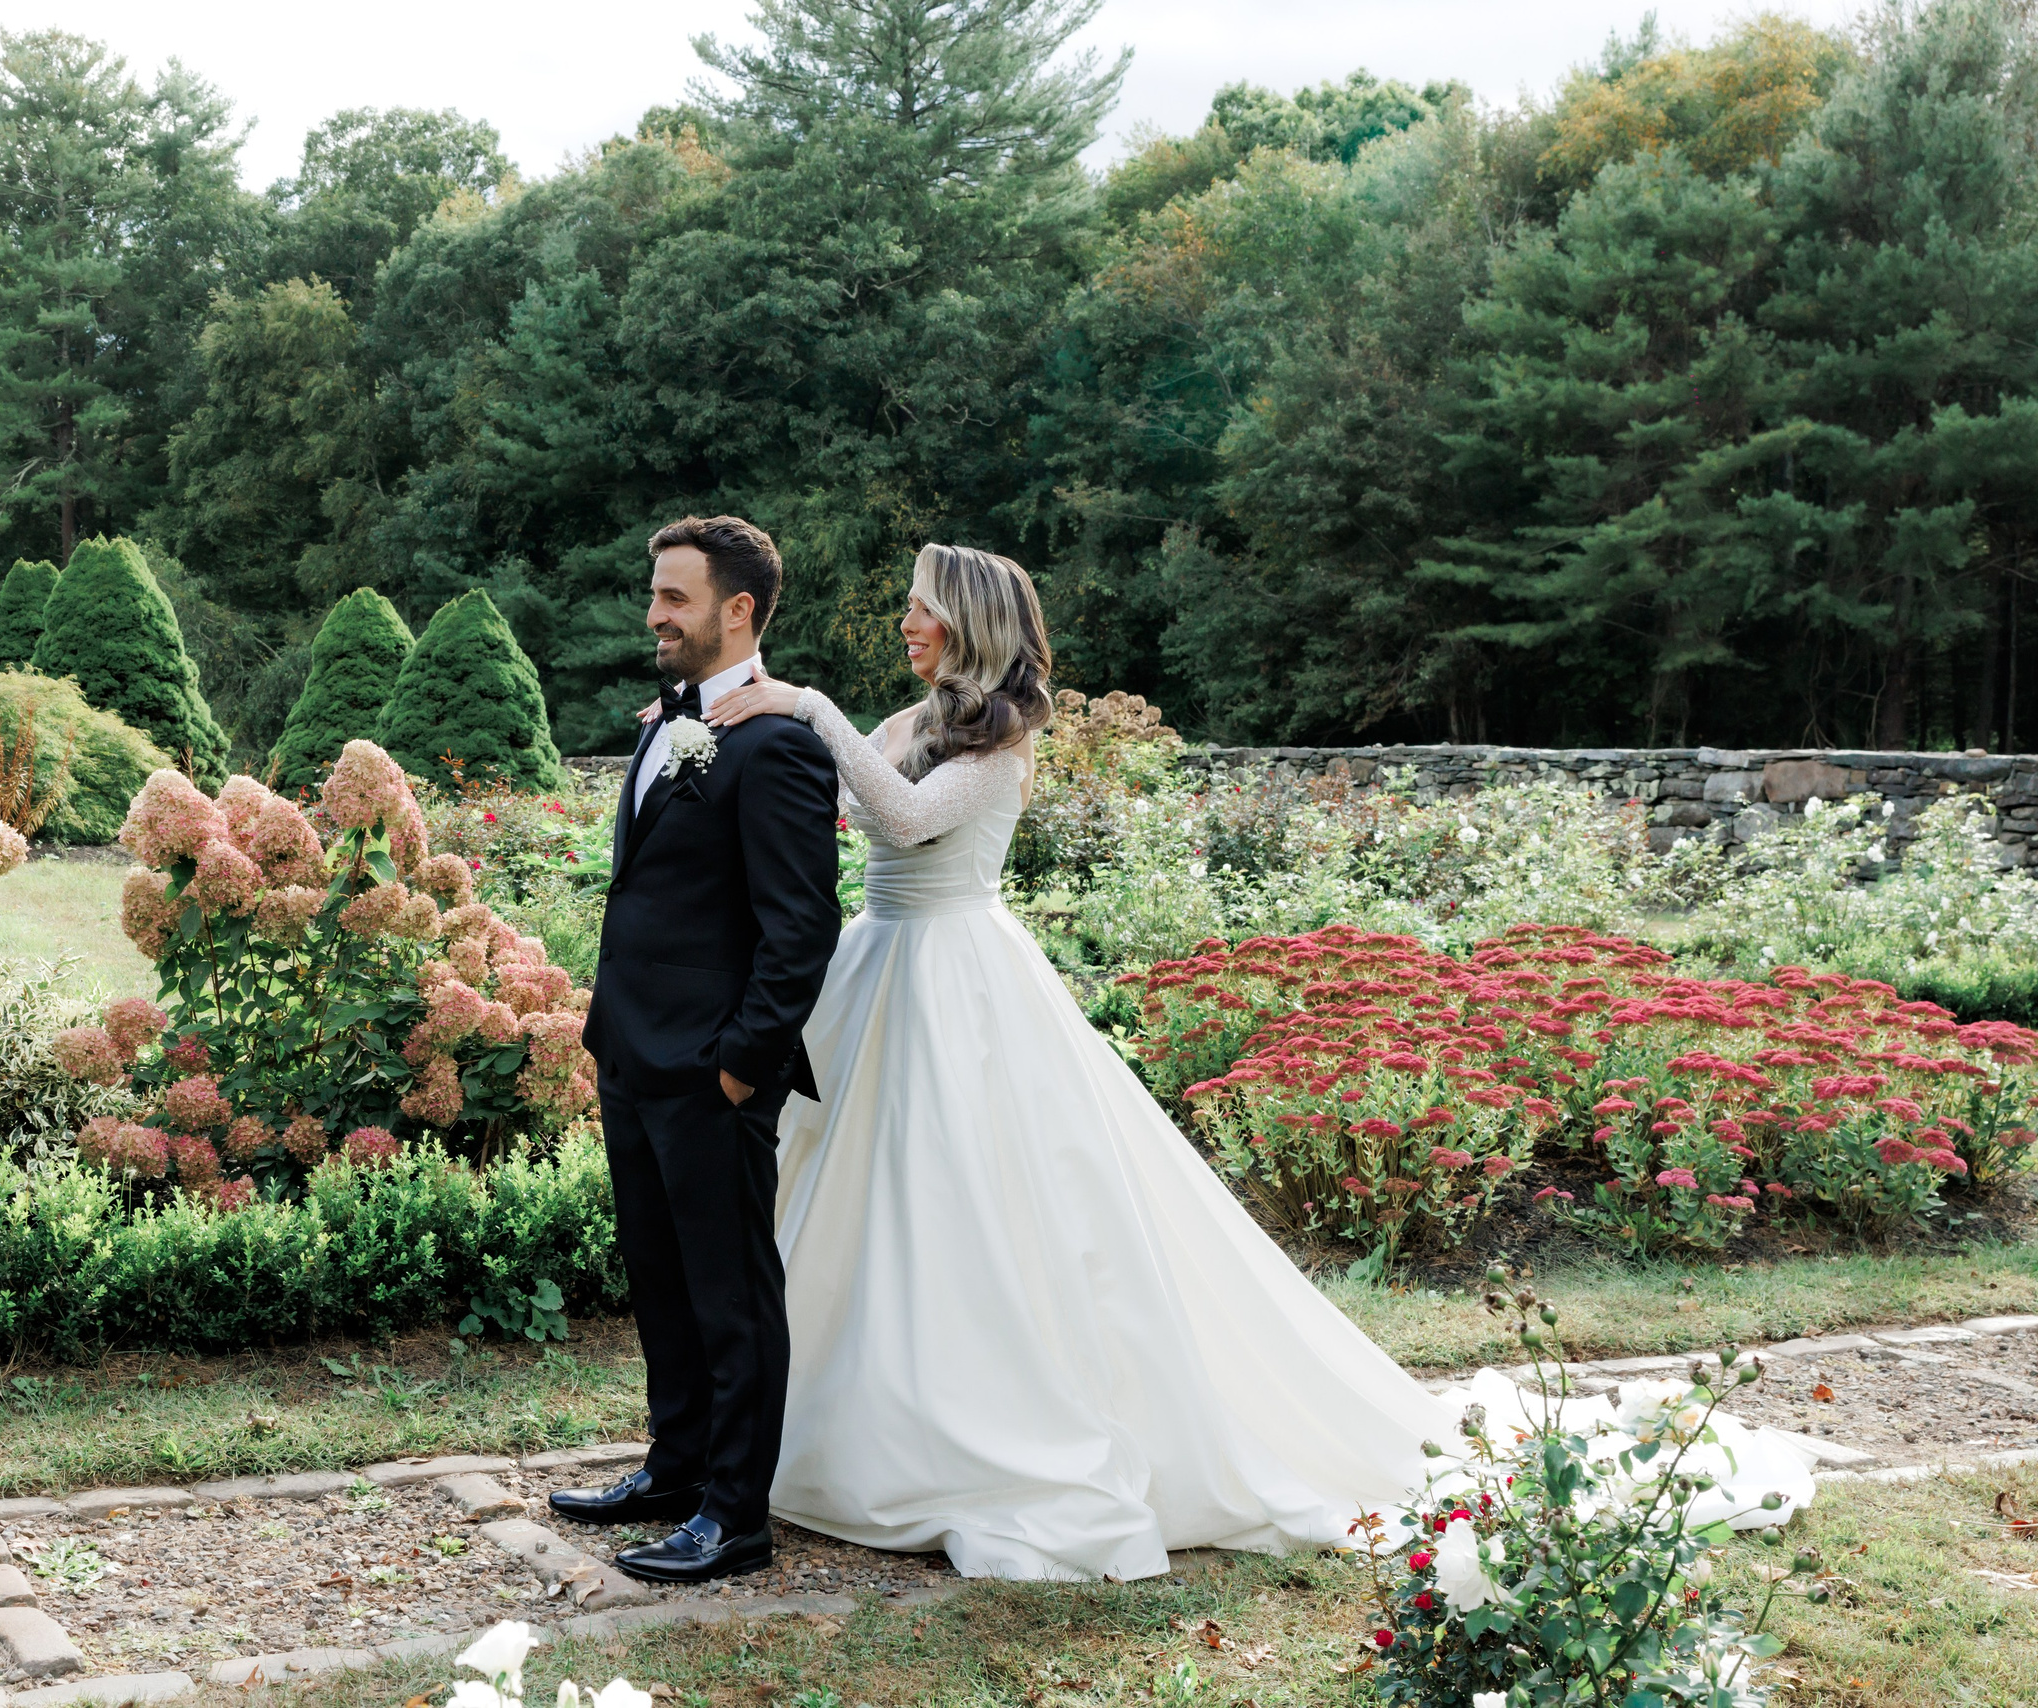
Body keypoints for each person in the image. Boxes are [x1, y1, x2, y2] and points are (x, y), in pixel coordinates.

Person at [703, 543, 1810, 1580]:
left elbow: (898, 819)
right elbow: (853, 803)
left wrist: (804, 704)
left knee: (966, 1204)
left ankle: (972, 1430)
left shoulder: (1000, 744)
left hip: (957, 982)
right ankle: (834, 1415)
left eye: (920, 607)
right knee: (863, 1201)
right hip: (877, 967)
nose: (905, 621)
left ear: (967, 623)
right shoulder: (906, 718)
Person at [559, 515, 843, 1585]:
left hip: (711, 1073)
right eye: (654, 593)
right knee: (660, 1279)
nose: (653, 615)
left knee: (729, 1296)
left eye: (674, 598)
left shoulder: (776, 746)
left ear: (738, 610)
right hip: (630, 1053)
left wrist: (738, 1065)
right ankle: (674, 1469)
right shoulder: (668, 718)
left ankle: (735, 1515)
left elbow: (799, 926)